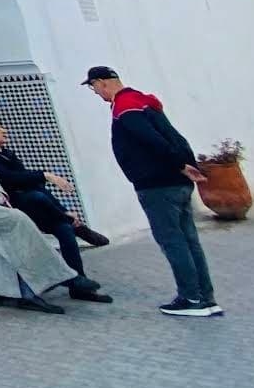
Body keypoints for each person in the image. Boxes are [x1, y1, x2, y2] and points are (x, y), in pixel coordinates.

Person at [0, 118, 112, 311]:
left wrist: (0, 196)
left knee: (59, 226)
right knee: (19, 219)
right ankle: (60, 277)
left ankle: (70, 280)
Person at [82, 66, 222, 318]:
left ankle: (191, 298)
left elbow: (152, 139)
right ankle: (206, 298)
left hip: (158, 185)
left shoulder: (125, 106)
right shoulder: (144, 101)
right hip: (177, 182)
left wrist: (181, 165)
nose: (96, 93)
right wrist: (187, 165)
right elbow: (175, 137)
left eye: (94, 88)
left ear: (102, 82)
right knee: (189, 241)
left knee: (172, 241)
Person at [0, 115, 108, 278]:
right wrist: (45, 175)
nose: (3, 130)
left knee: (63, 228)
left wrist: (62, 208)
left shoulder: (6, 152)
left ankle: (79, 280)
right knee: (37, 197)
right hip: (7, 205)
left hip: (32, 204)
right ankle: (74, 224)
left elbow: (27, 179)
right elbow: (8, 178)